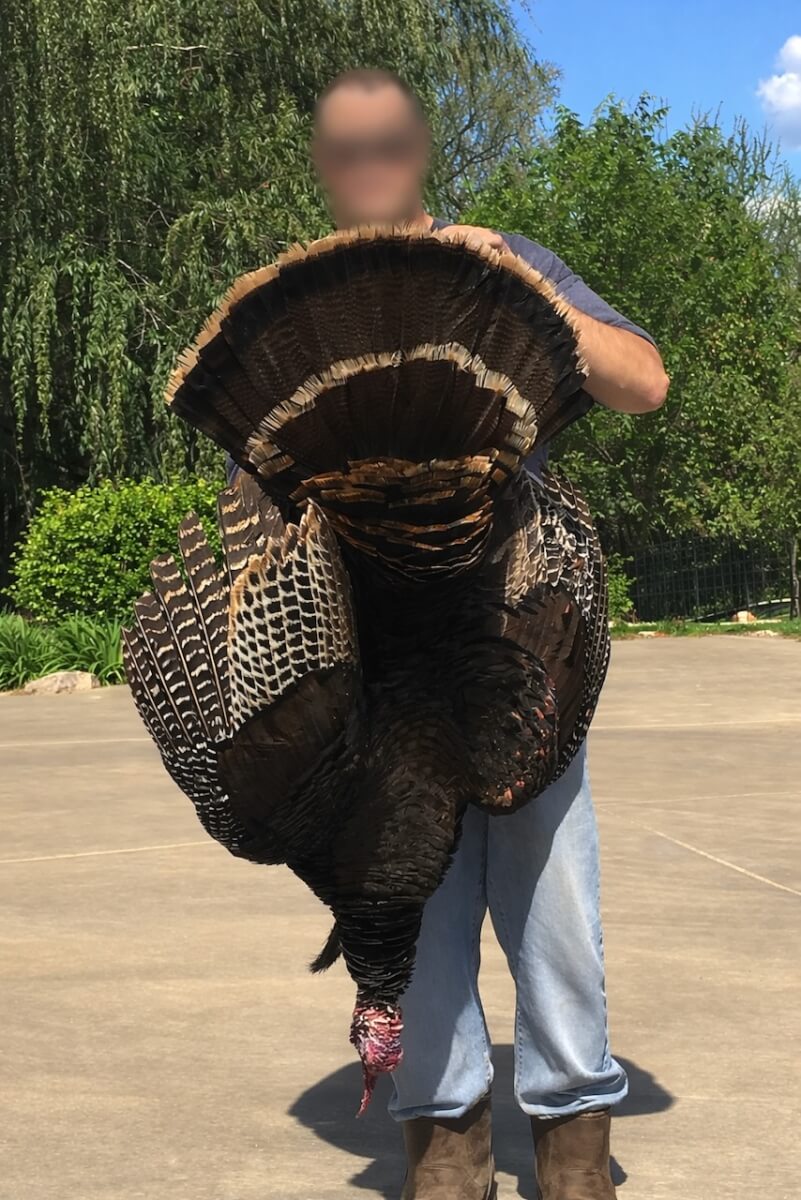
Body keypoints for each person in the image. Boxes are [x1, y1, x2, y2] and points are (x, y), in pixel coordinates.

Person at [229, 68, 669, 1200]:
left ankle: (574, 1139)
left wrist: (517, 284)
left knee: (553, 903)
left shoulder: (505, 256)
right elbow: (260, 484)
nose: (368, 160)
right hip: (374, 657)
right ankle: (445, 1143)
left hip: (517, 637)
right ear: (325, 165)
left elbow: (644, 382)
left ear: (420, 149)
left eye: (388, 139)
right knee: (407, 903)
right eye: (345, 145)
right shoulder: (306, 292)